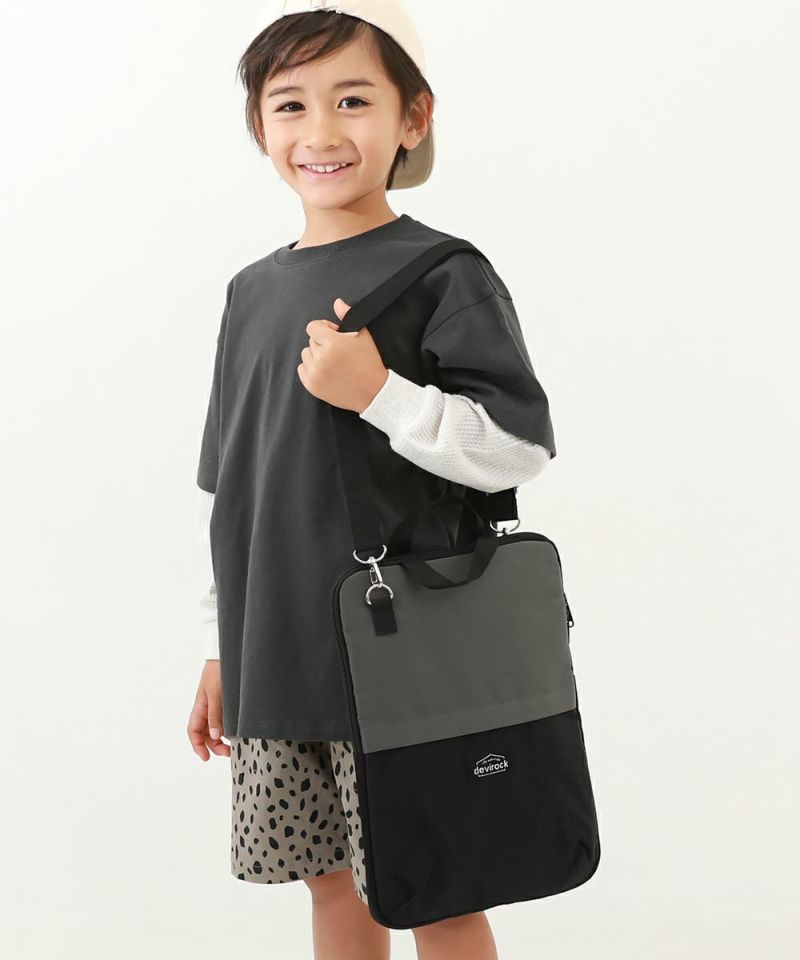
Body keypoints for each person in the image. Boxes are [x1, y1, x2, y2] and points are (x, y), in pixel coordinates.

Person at [187, 2, 557, 958]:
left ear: (413, 117)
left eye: (352, 100)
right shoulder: (250, 292)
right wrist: (222, 649)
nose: (320, 131)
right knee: (331, 889)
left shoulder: (441, 272)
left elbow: (517, 449)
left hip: (403, 657)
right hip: (279, 652)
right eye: (290, 104)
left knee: (436, 889)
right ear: (260, 127)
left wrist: (381, 394)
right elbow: (237, 494)